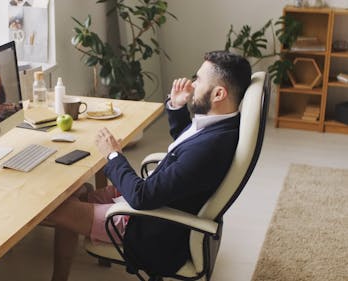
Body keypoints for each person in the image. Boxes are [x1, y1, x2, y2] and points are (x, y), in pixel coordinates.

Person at [46, 50, 252, 281]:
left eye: (199, 80)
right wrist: (176, 106)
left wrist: (113, 155)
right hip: (156, 201)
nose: (193, 85)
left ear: (218, 94)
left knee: (54, 208)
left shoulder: (210, 148)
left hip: (149, 225)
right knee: (76, 193)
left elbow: (141, 197)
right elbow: (186, 147)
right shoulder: (221, 126)